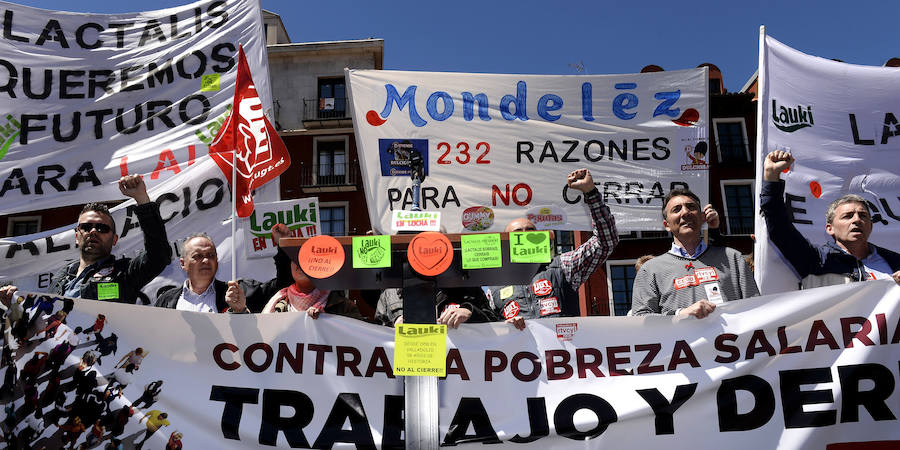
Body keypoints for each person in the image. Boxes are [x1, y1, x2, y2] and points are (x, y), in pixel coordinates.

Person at [0, 175, 172, 307]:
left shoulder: (125, 272)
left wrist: (141, 199)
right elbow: (45, 323)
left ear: (114, 240)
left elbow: (159, 255)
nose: (93, 231)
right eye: (87, 227)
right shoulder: (61, 277)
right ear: (77, 236)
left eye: (102, 228)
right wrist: (15, 305)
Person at [488, 168, 618, 329]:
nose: (524, 237)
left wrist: (590, 193)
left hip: (563, 351)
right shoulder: (493, 284)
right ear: (505, 243)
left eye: (530, 232)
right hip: (521, 354)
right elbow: (486, 330)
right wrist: (504, 326)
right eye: (517, 234)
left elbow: (605, 242)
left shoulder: (562, 266)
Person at [761, 151, 900, 287]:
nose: (857, 220)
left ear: (871, 226)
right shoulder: (816, 260)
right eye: (848, 216)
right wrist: (771, 176)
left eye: (863, 215)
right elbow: (780, 228)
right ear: (830, 228)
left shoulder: (894, 261)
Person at [631, 188, 759, 318]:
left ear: (702, 217)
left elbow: (755, 308)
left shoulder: (733, 258)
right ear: (667, 225)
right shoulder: (650, 270)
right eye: (676, 209)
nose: (685, 212)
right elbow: (641, 319)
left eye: (691, 207)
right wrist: (680, 314)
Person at [154, 225, 293, 313]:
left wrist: (285, 246)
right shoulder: (166, 301)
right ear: (183, 263)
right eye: (198, 256)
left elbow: (284, 287)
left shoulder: (239, 291)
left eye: (211, 255)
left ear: (217, 261)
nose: (206, 260)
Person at [262, 260, 363, 320]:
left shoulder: (345, 307)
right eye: (296, 257)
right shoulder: (277, 304)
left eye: (307, 259)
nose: (301, 263)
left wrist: (326, 321)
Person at [375, 286, 496, 328]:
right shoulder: (390, 294)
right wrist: (393, 325)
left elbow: (493, 325)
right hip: (406, 376)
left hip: (457, 373)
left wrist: (470, 312)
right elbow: (374, 334)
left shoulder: (467, 287)